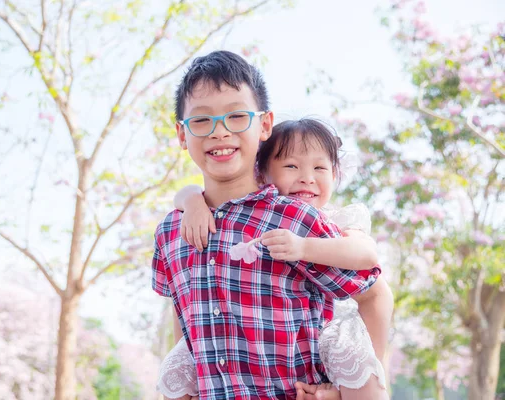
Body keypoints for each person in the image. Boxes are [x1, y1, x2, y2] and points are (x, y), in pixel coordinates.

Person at [151, 50, 389, 400]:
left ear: (264, 124)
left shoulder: (295, 221)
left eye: (236, 116)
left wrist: (356, 387)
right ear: (182, 134)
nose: (219, 132)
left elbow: (373, 291)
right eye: (201, 121)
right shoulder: (172, 232)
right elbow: (183, 322)